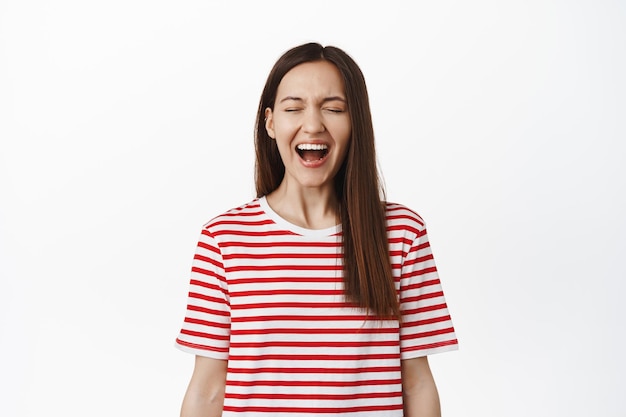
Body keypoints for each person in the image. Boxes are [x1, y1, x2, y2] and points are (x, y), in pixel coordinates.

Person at [175, 42, 458, 417]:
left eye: (334, 109)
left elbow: (417, 384)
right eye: (294, 108)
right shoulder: (224, 238)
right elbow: (207, 391)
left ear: (356, 121)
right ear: (271, 123)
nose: (313, 125)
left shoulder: (402, 233)